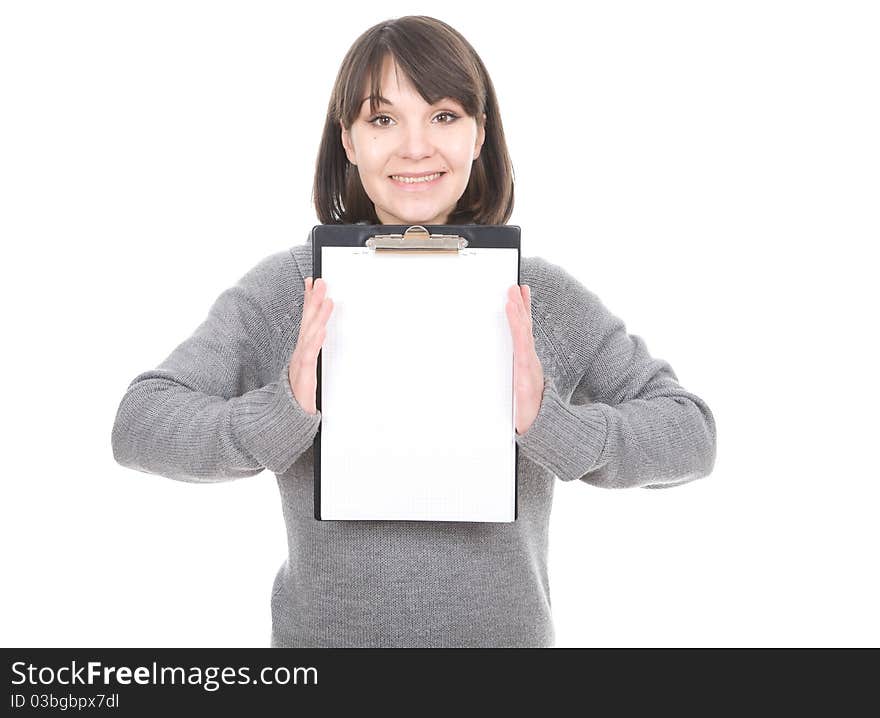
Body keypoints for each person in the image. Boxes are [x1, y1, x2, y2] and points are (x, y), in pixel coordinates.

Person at [111, 15, 717, 648]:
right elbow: (140, 424)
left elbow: (690, 434)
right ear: (347, 140)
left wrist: (550, 425)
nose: (415, 147)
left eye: (444, 116)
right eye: (382, 120)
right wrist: (283, 410)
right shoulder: (289, 290)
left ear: (480, 134)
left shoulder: (540, 297)